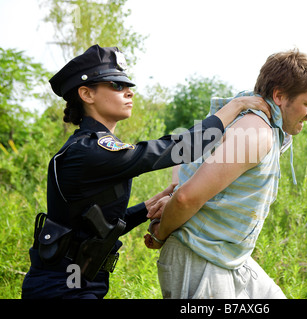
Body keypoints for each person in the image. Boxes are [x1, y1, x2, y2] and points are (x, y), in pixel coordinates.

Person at [21, 44, 270, 299]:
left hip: (77, 280)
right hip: (63, 286)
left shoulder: (93, 148)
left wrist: (146, 209)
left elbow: (94, 226)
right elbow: (182, 148)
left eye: (128, 85)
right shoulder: (90, 150)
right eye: (117, 85)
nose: (129, 92)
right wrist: (237, 105)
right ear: (86, 94)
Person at [144, 49, 307, 299]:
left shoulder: (265, 127)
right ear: (279, 96)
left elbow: (187, 155)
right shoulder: (256, 132)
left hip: (230, 257)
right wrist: (160, 235)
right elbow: (185, 198)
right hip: (199, 256)